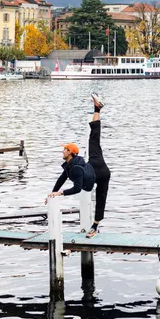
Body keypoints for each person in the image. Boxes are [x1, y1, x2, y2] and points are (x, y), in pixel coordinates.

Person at [46, 93, 111, 238]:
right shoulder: (73, 163)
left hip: (96, 174)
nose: (62, 151)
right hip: (97, 163)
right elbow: (62, 178)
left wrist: (60, 193)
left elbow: (76, 188)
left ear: (70, 152)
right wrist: (52, 193)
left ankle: (94, 227)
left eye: (64, 149)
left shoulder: (75, 169)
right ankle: (97, 109)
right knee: (94, 137)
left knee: (100, 197)